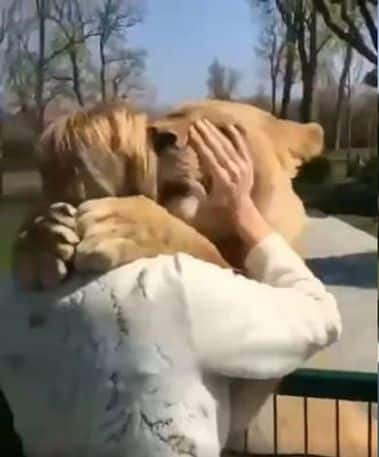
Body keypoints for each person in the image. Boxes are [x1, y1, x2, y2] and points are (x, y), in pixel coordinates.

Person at [0, 120, 341, 457]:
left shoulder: (12, 293)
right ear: (133, 168)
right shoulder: (175, 286)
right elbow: (320, 316)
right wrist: (245, 213)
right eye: (149, 144)